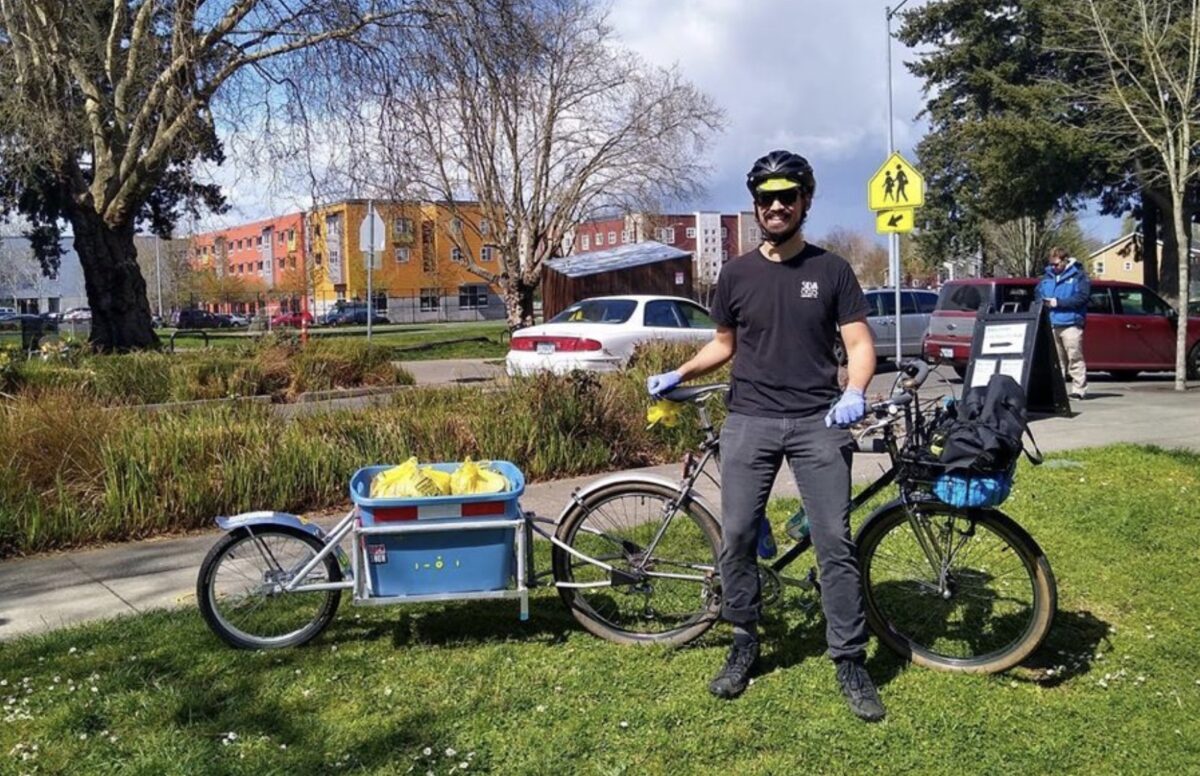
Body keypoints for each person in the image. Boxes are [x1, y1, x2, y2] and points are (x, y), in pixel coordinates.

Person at [645, 150, 884, 722]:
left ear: (805, 201)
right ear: (755, 205)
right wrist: (680, 372)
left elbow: (858, 346)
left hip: (817, 421)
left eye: (788, 195)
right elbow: (724, 343)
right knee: (737, 537)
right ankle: (743, 639)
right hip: (749, 419)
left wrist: (855, 391)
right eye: (766, 197)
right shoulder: (736, 273)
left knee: (834, 542)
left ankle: (849, 658)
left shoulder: (832, 271)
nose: (776, 206)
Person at [1035, 247, 1090, 400]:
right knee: (1055, 361)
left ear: (1065, 260)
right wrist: (1042, 303)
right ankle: (1057, 391)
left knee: (1074, 356)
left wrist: (1058, 303)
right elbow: (1038, 294)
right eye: (1051, 264)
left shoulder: (1079, 276)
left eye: (1056, 264)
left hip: (1071, 323)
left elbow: (1082, 297)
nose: (1053, 267)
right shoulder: (1046, 277)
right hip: (1051, 323)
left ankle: (1079, 389)